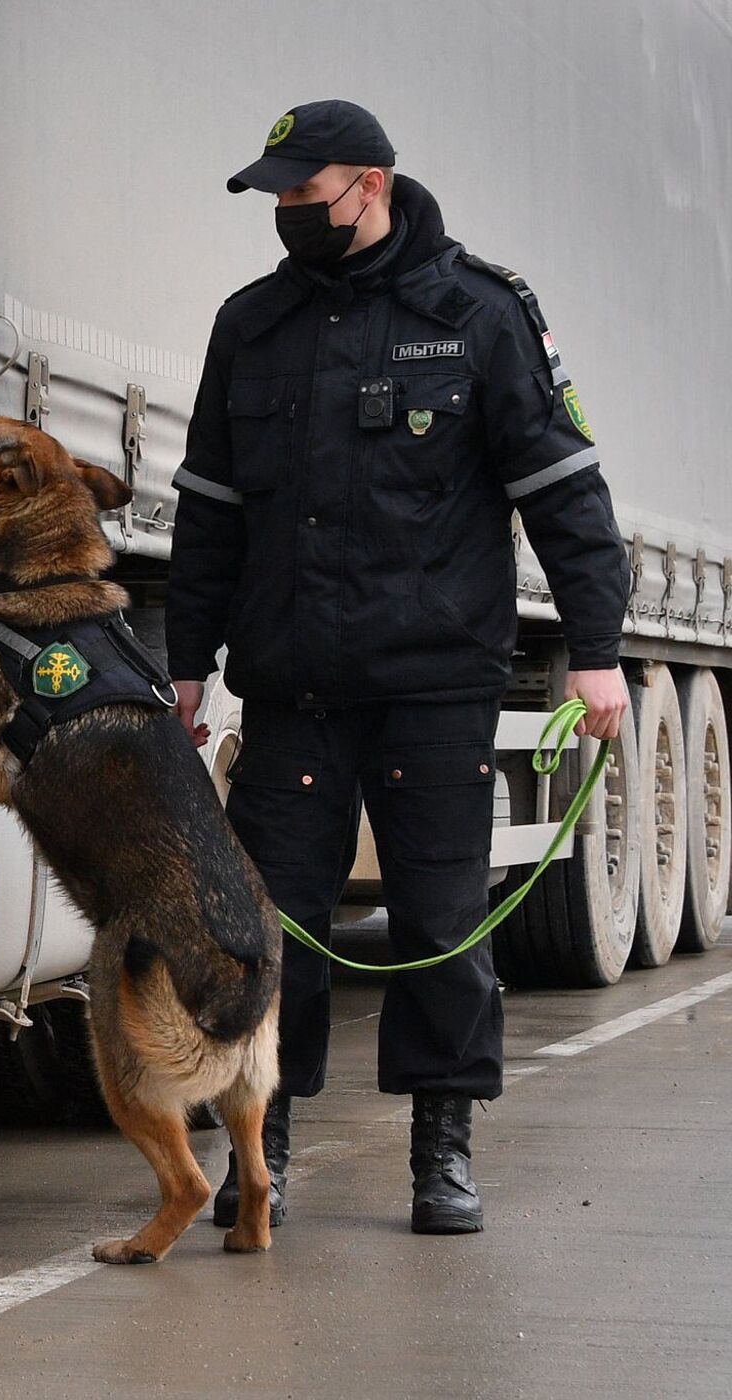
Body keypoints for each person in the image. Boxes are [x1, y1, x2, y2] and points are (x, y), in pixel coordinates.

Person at [165, 99, 631, 1234]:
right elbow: (209, 515)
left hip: (432, 686)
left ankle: (441, 1146)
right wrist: (186, 664)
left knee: (435, 923)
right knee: (266, 931)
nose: (285, 213)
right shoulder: (251, 325)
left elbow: (562, 490)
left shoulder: (476, 314)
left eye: (302, 192)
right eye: (273, 197)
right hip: (293, 689)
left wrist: (598, 651)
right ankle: (256, 1148)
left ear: (370, 184)